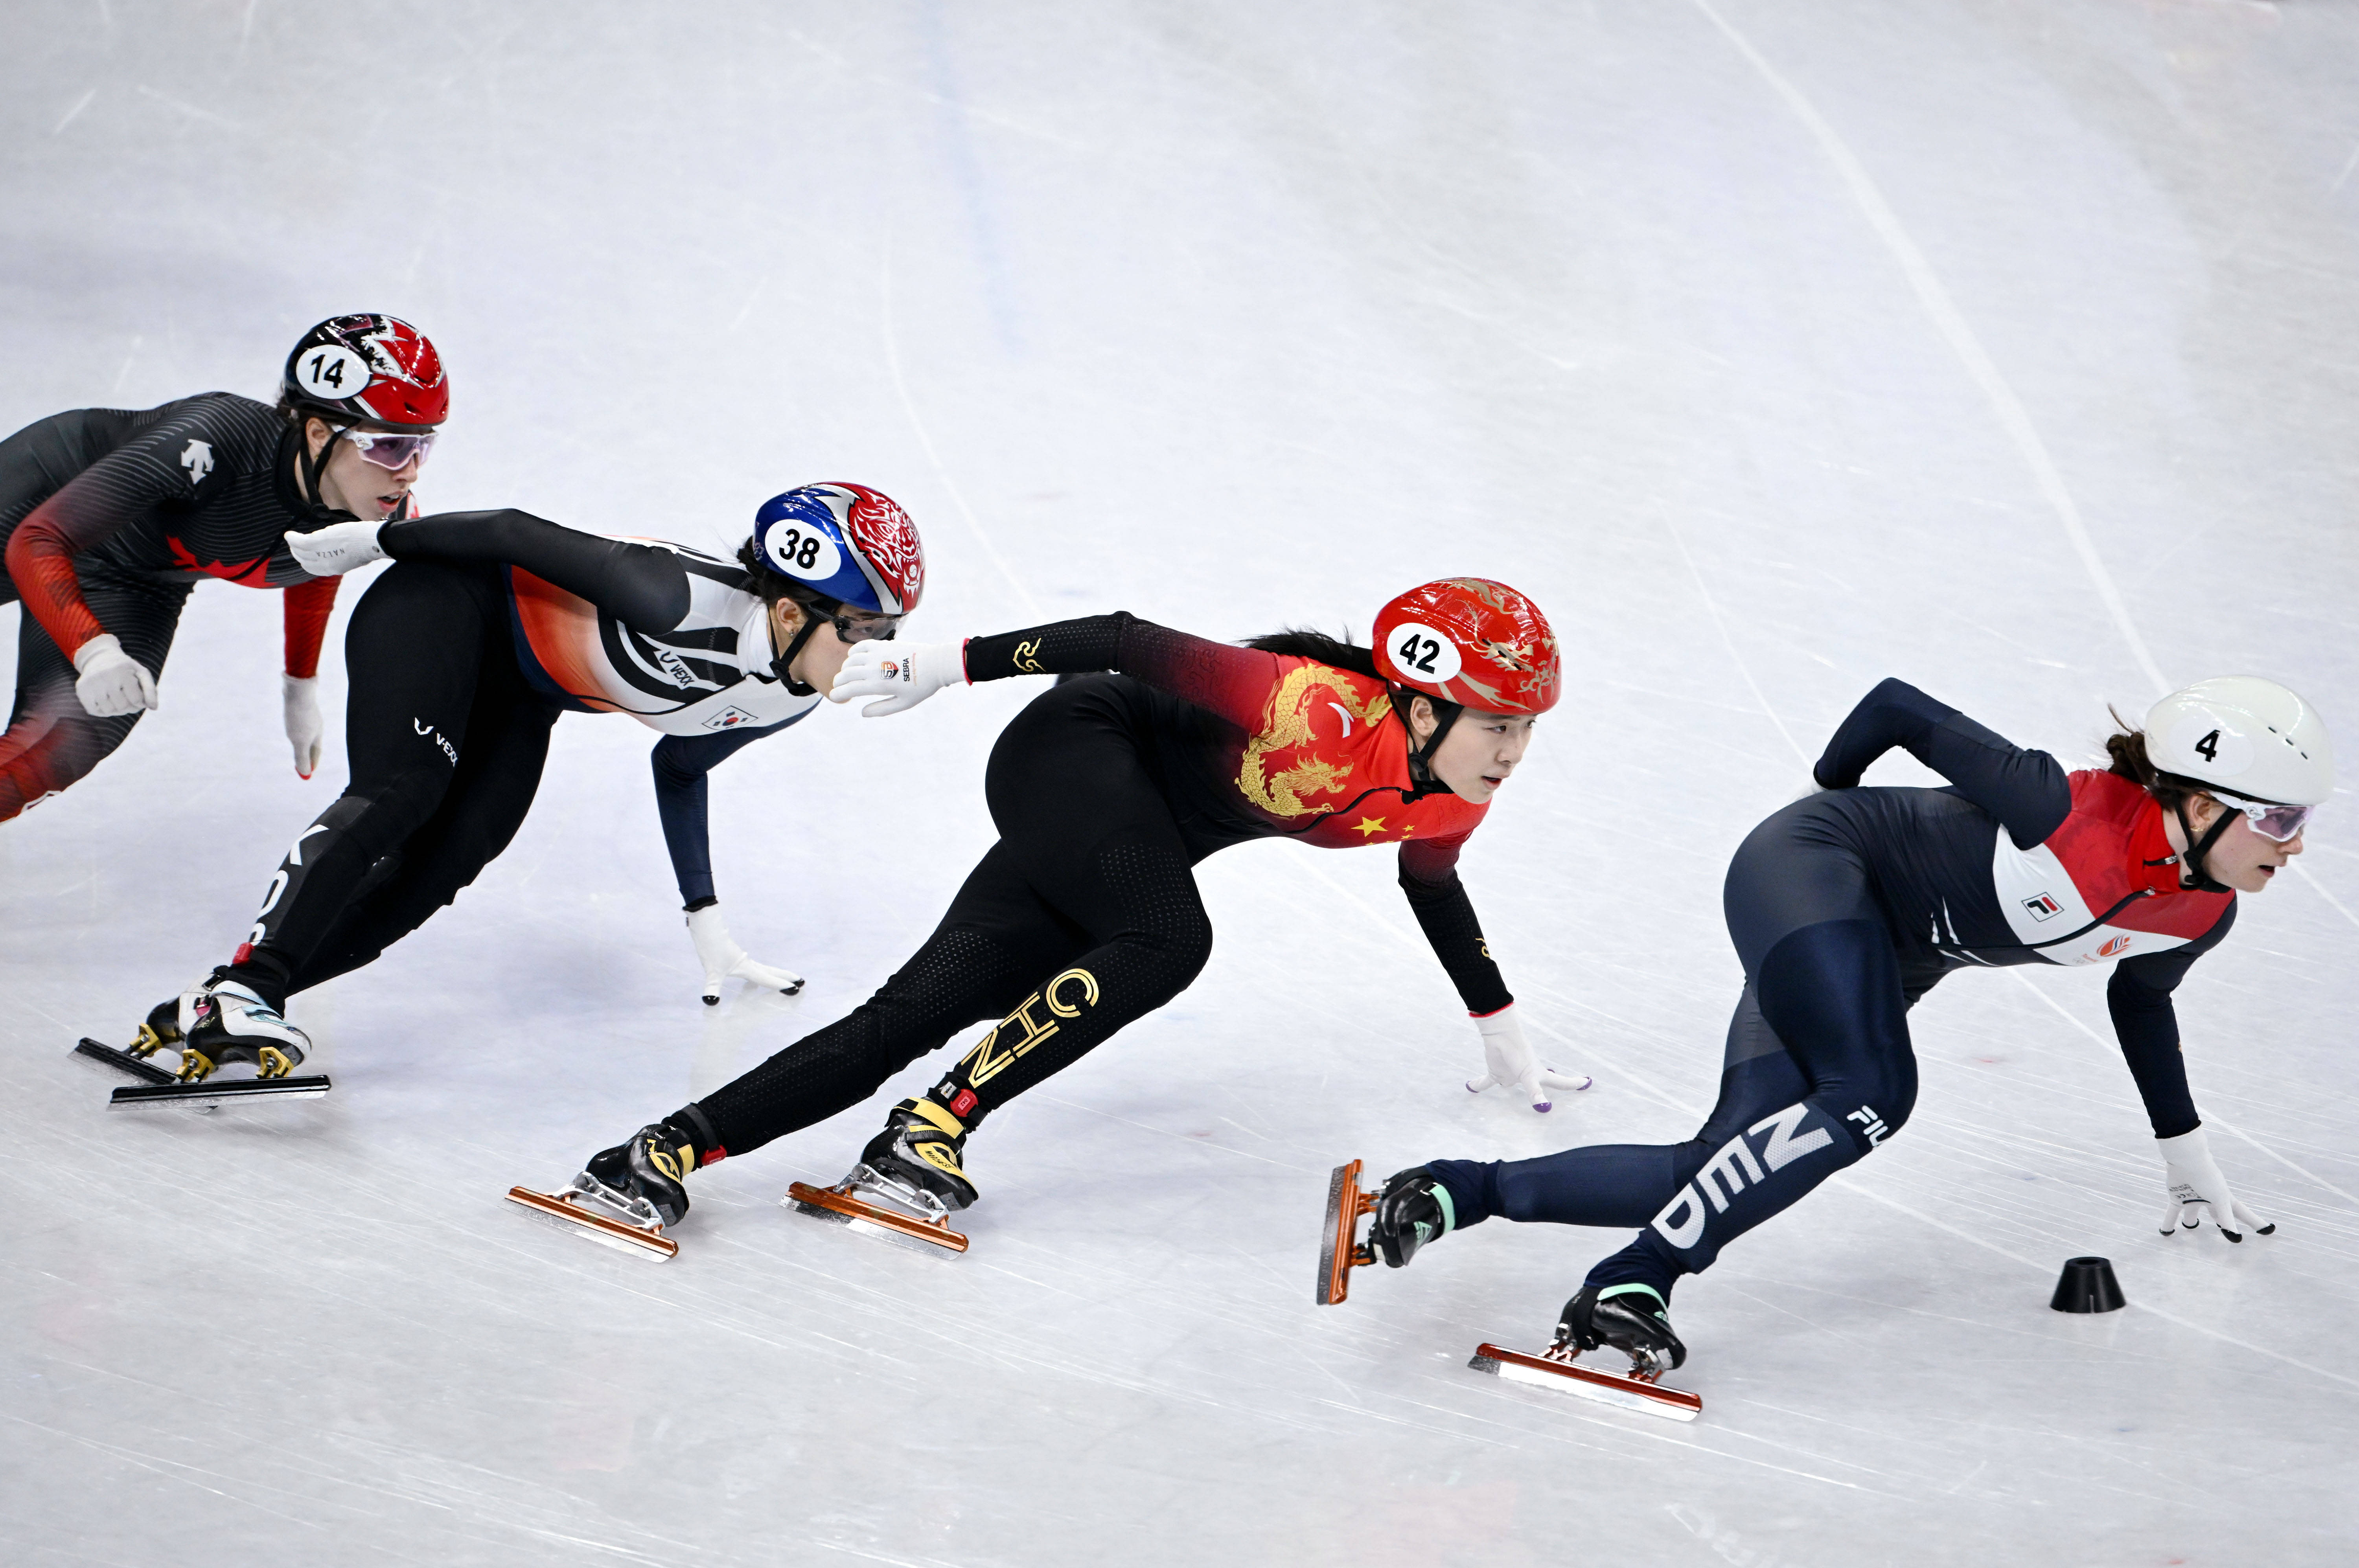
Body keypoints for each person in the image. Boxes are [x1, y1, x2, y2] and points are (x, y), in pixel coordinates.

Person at [1330, 675, 2331, 1380]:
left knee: (1724, 1162)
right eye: (2279, 821)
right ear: (2202, 803)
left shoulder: (2203, 907)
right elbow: (1897, 706)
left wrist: (2183, 1149)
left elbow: (2140, 998)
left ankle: (1452, 1193)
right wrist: (1821, 795)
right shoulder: (2060, 808)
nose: (2295, 847)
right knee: (1872, 1096)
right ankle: (1636, 1278)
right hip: (1813, 872)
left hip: (1866, 952)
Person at [544, 577, 1586, 1247]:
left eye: (1526, 728)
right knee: (1172, 941)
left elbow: (1434, 885)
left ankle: (656, 1154)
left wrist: (1503, 1040)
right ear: (1419, 703)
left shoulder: (1457, 795)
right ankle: (937, 1123)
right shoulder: (1304, 703)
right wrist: (946, 666)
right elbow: (1124, 640)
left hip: (1130, 845)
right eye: (1496, 722)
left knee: (908, 1016)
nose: (1511, 751)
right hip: (1080, 754)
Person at [126, 483, 926, 1080]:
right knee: (407, 791)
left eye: (890, 633)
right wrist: (372, 542)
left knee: (448, 862)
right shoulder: (674, 596)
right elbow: (511, 531)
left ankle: (223, 1000)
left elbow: (679, 767)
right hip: (442, 602)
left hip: (526, 690)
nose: (877, 652)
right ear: (790, 614)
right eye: (862, 631)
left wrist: (704, 913)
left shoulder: (791, 696)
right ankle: (247, 986)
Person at [0, 314, 446, 818]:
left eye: (422, 445)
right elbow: (37, 539)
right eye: (389, 445)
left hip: (136, 582)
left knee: (56, 751)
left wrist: (300, 686)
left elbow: (317, 558)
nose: (409, 471)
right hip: (54, 491)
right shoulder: (214, 441)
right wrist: (94, 651)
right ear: (319, 433)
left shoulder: (373, 506)